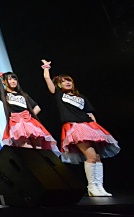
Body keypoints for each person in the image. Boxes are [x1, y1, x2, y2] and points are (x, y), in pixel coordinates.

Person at [42, 60, 120, 196]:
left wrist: (96, 129)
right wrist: (46, 68)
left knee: (97, 157)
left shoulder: (81, 97)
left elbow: (90, 113)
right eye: (64, 81)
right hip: (75, 126)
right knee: (90, 155)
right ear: (59, 84)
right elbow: (47, 80)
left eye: (69, 81)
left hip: (89, 126)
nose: (67, 83)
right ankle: (91, 187)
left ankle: (100, 187)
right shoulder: (59, 95)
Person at [0, 53, 59, 155]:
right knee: (27, 149)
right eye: (10, 79)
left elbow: (37, 107)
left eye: (14, 79)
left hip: (30, 122)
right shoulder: (3, 94)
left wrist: (29, 116)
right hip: (16, 123)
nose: (13, 81)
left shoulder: (24, 95)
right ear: (4, 82)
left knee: (39, 149)